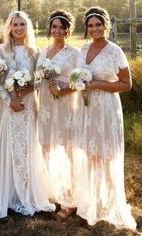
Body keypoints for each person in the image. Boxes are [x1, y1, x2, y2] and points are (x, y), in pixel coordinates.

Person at [0, 11, 55, 218]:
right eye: (14, 25)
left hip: (27, 106)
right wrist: (11, 100)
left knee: (25, 147)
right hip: (7, 107)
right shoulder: (0, 50)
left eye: (22, 25)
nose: (18, 28)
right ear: (9, 28)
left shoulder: (35, 52)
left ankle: (25, 191)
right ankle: (6, 193)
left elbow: (39, 79)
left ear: (27, 28)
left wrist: (27, 90)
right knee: (7, 146)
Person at [74, 6, 137, 230]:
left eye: (98, 25)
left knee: (107, 155)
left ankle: (110, 203)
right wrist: (81, 86)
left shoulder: (115, 51)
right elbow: (79, 76)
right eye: (90, 26)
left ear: (105, 26)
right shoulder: (83, 49)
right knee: (91, 155)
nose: (94, 29)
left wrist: (97, 84)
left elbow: (126, 84)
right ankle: (92, 201)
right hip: (87, 109)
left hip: (107, 109)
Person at [36, 10, 80, 221]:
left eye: (61, 27)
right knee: (46, 147)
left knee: (66, 149)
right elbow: (38, 79)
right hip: (45, 103)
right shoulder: (43, 51)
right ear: (50, 29)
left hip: (64, 104)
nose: (57, 30)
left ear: (67, 30)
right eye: (54, 27)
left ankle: (70, 200)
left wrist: (63, 90)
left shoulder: (74, 53)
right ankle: (50, 193)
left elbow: (80, 81)